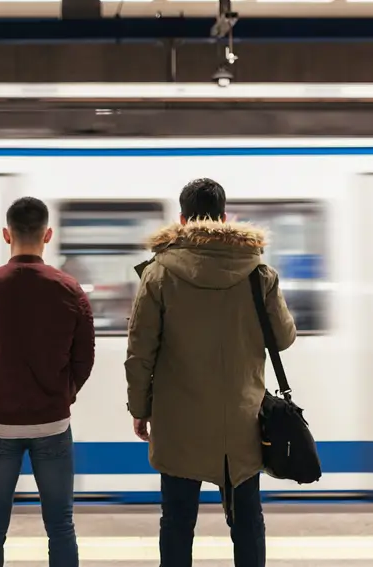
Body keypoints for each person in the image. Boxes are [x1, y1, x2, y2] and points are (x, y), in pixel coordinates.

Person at [125, 178, 297, 567]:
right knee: (247, 521)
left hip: (178, 422)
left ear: (183, 219)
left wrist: (140, 408)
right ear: (224, 217)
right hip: (242, 421)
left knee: (177, 522)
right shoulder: (259, 273)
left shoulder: (159, 274)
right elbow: (283, 339)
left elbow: (139, 353)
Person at [0, 196, 95, 567]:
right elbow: (84, 359)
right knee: (61, 525)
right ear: (47, 235)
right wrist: (63, 394)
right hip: (53, 424)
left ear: (7, 234)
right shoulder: (69, 290)